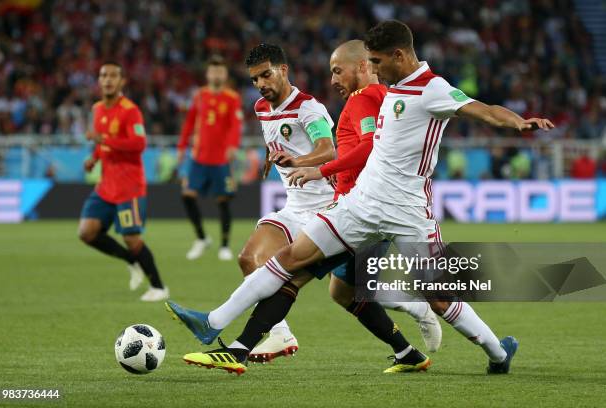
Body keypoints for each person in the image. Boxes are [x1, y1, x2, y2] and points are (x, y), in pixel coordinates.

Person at [167, 42, 436, 374]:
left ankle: (410, 324)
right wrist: (273, 156)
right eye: (254, 79)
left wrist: (300, 160)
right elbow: (281, 142)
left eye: (266, 75)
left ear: (283, 70)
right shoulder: (262, 109)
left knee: (334, 291)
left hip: (329, 207)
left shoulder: (308, 108)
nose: (261, 84)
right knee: (250, 258)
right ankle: (278, 334)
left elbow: (328, 149)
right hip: (295, 207)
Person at [78, 62, 168, 302]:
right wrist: (94, 159)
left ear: (122, 81)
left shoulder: (130, 111)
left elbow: (139, 144)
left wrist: (103, 138)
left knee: (131, 238)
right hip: (106, 186)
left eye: (113, 76)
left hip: (129, 187)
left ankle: (159, 287)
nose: (107, 80)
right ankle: (131, 260)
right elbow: (101, 145)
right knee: (87, 233)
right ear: (99, 80)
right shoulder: (97, 109)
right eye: (103, 75)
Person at [177, 56, 243, 261]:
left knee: (223, 201)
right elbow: (189, 122)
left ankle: (224, 245)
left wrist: (232, 145)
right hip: (198, 157)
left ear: (225, 75)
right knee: (187, 195)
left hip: (221, 160)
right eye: (213, 71)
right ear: (207, 74)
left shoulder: (232, 98)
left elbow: (235, 125)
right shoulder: (199, 95)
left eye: (220, 71)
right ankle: (201, 238)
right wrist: (181, 146)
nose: (216, 75)